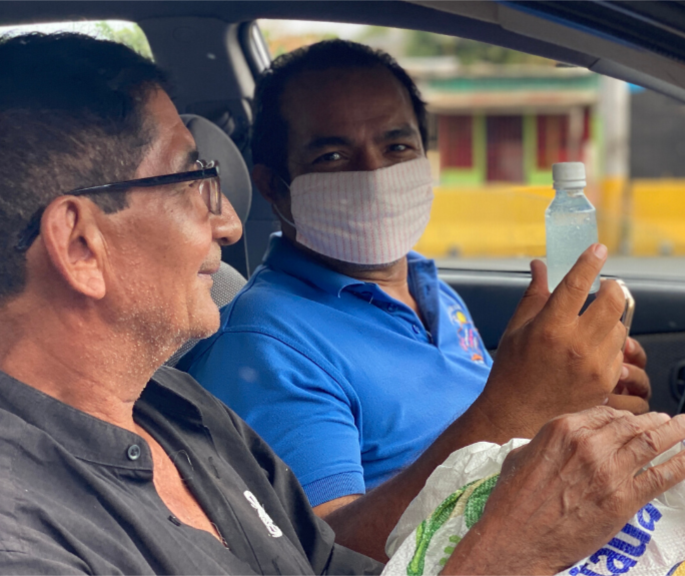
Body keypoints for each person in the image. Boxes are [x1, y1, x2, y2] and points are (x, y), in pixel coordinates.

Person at [0, 33, 685, 574]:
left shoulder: (175, 412)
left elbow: (330, 566)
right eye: (192, 182)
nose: (226, 223)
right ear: (80, 245)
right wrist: (502, 551)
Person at [182, 40, 651, 540]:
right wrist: (520, 405)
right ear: (275, 186)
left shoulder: (431, 293)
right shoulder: (262, 345)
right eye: (333, 154)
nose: (375, 174)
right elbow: (327, 555)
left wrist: (573, 407)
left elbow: (492, 446)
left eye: (397, 147)